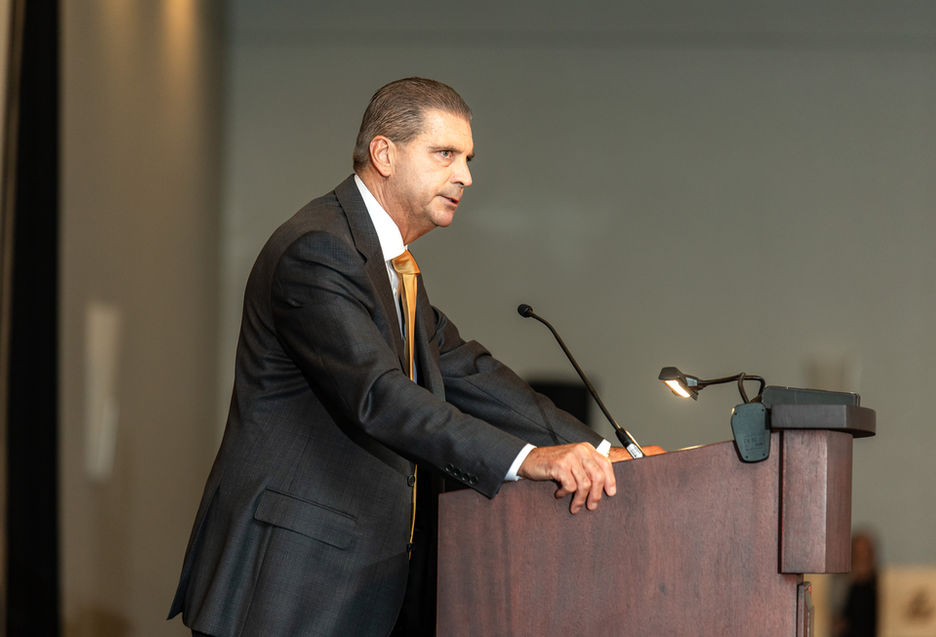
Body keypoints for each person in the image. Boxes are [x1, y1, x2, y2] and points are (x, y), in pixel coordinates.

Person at [168, 77, 649, 636]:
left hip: (353, 582)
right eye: (445, 154)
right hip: (288, 581)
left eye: (467, 158)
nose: (465, 175)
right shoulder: (319, 251)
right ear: (384, 154)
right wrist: (527, 459)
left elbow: (471, 373)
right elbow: (381, 397)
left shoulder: (389, 263)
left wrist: (605, 452)